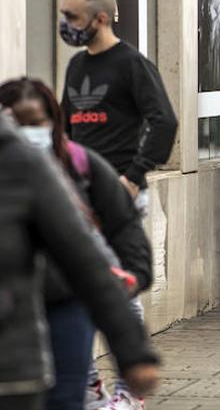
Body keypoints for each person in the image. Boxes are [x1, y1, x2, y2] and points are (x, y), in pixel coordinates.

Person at [0, 78, 153, 410]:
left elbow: (97, 251)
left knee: (64, 397)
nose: (28, 133)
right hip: (19, 313)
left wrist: (134, 354)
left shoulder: (73, 165)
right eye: (18, 122)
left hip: (67, 300)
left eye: (36, 123)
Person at [59, 0, 176, 409]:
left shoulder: (131, 65)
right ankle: (89, 382)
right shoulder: (76, 67)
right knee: (77, 288)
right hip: (76, 199)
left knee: (116, 286)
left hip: (117, 199)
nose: (65, 24)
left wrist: (131, 178)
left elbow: (163, 120)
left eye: (72, 16)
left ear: (101, 18)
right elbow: (66, 130)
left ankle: (130, 389)